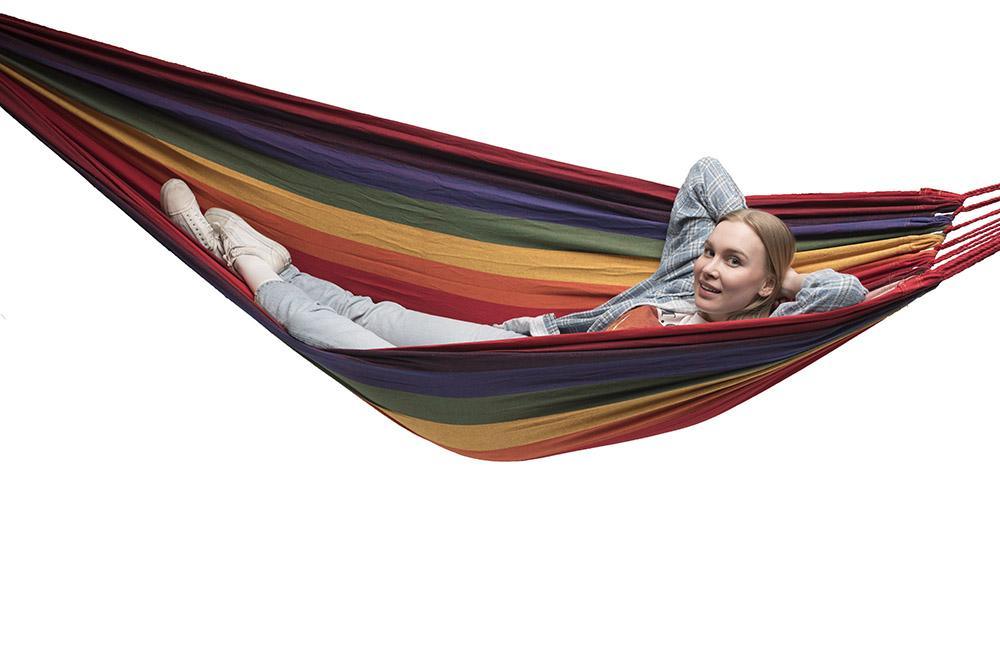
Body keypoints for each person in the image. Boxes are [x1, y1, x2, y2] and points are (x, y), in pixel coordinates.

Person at [159, 157, 869, 350]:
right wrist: (742, 239)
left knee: (362, 350)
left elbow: (853, 296)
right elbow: (705, 173)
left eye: (731, 263)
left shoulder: (751, 333)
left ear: (766, 286)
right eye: (712, 250)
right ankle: (272, 263)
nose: (710, 268)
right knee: (372, 318)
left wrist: (785, 280)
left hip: (526, 376)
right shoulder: (688, 268)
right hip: (520, 348)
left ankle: (242, 258)